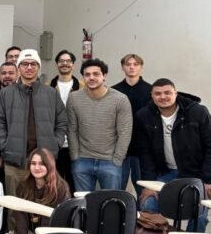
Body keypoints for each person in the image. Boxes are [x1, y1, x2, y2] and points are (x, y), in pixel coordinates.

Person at [134, 78, 211, 234]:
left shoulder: (197, 112)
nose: (163, 97)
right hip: (165, 173)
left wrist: (207, 179)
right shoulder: (144, 116)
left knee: (199, 211)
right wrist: (149, 183)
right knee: (148, 203)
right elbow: (145, 153)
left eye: (167, 92)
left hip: (195, 174)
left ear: (175, 93)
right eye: (158, 93)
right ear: (152, 96)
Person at [0, 49, 67, 201]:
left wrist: (55, 143)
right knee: (15, 205)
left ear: (38, 67)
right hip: (15, 162)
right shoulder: (5, 94)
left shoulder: (51, 93)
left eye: (33, 64)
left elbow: (62, 121)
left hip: (44, 163)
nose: (29, 67)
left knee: (44, 204)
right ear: (18, 67)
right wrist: (6, 145)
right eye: (25, 64)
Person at [67, 59, 132, 192]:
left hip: (110, 162)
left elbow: (125, 132)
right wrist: (75, 156)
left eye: (96, 74)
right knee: (84, 201)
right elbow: (72, 129)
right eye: (87, 74)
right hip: (82, 160)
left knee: (111, 201)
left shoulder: (120, 99)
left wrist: (117, 159)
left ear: (104, 76)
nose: (91, 77)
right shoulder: (74, 98)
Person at [11, 148, 71, 234]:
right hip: (30, 231)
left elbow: (53, 222)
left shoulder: (60, 188)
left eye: (41, 164)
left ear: (50, 165)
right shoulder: (23, 185)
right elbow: (20, 217)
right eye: (33, 163)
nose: (37, 167)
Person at [112, 54, 152, 197]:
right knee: (117, 189)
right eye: (128, 64)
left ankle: (142, 212)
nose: (132, 67)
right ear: (122, 67)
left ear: (141, 67)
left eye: (135, 64)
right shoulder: (114, 91)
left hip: (142, 150)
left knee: (143, 189)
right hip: (119, 148)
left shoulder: (150, 91)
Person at [49, 49, 82, 192]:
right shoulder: (47, 87)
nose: (65, 64)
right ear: (56, 64)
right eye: (61, 61)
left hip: (76, 145)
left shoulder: (83, 87)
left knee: (74, 184)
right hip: (54, 143)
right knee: (54, 184)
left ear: (73, 65)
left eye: (68, 61)